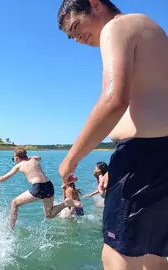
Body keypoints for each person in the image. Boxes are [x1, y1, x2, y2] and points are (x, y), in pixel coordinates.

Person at [57, 0, 168, 269]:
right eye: (72, 37)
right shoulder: (151, 29)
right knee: (153, 256)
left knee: (116, 257)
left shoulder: (116, 26)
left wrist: (71, 159)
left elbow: (113, 101)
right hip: (159, 156)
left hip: (141, 158)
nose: (77, 38)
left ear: (94, 4)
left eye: (75, 27)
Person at [0, 147, 82, 230]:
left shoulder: (19, 165)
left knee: (14, 203)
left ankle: (11, 228)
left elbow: (4, 178)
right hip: (49, 185)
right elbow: (39, 157)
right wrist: (28, 157)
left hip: (38, 187)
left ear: (17, 158)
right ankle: (66, 203)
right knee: (49, 215)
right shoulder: (34, 159)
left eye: (13, 159)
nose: (14, 161)